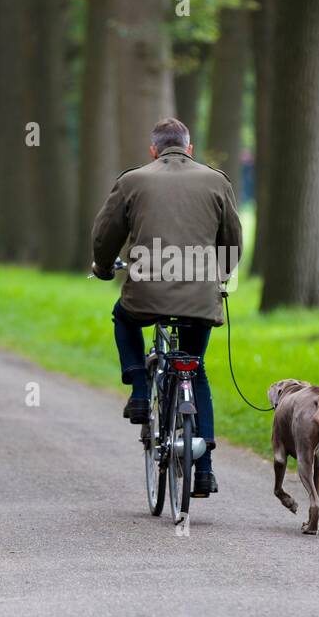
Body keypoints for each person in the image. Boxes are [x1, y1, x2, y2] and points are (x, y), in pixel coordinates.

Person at [90, 117, 243, 498]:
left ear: (153, 151)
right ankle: (204, 471)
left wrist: (104, 267)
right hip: (199, 298)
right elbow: (233, 241)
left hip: (146, 296)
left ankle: (141, 393)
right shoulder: (216, 181)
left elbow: (105, 234)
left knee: (122, 318)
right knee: (197, 368)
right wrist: (220, 276)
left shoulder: (132, 181)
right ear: (189, 149)